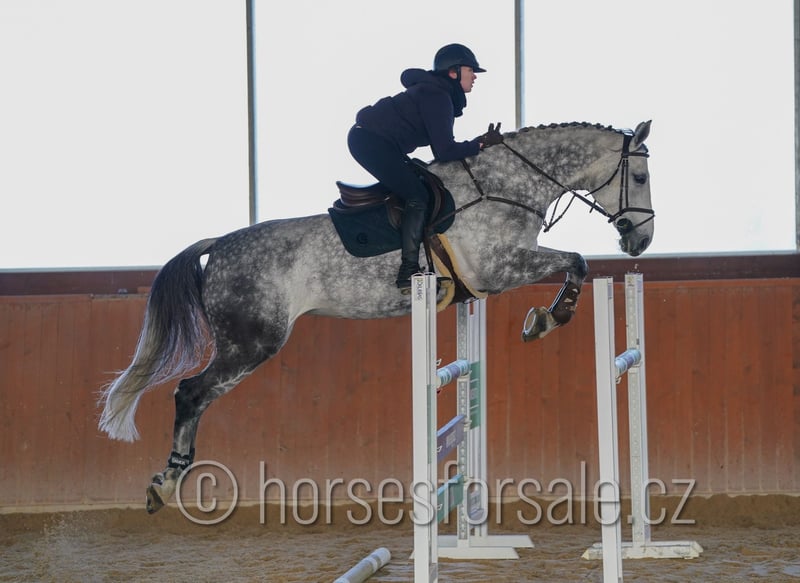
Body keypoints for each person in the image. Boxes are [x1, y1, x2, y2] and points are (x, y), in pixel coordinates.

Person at [347, 43, 503, 291]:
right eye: (470, 70)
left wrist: (478, 143)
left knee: (420, 185)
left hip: (374, 141)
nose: (474, 76)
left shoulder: (437, 92)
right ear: (453, 72)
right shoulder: (437, 96)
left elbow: (442, 151)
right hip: (369, 142)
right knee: (417, 195)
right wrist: (479, 144)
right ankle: (407, 270)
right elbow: (445, 151)